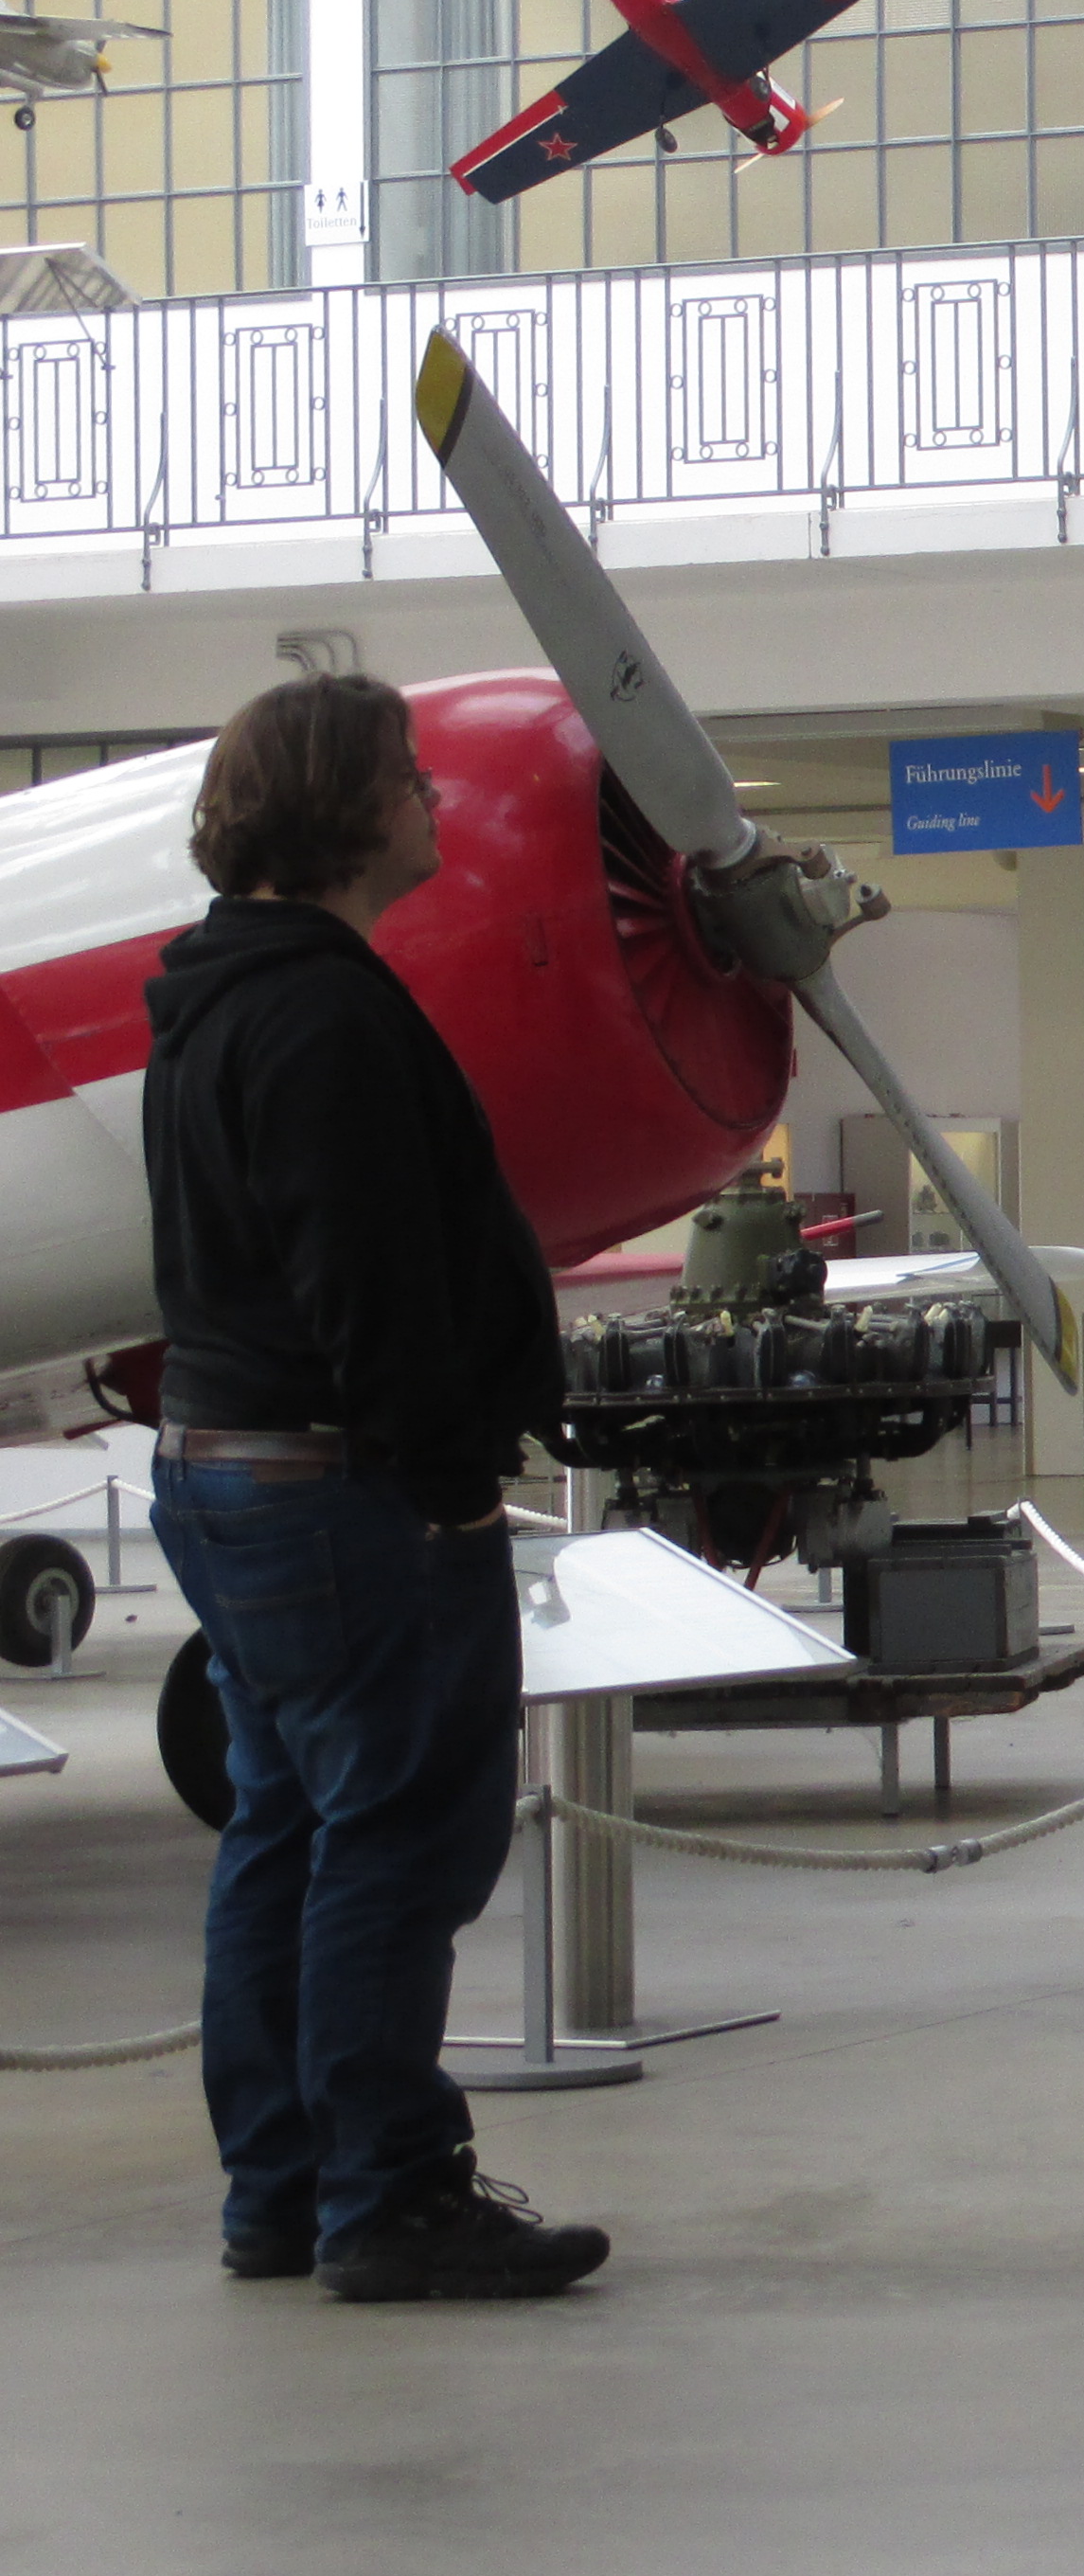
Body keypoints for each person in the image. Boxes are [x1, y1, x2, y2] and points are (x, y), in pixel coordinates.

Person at [141, 672, 608, 2301]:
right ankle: (391, 2193)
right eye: (409, 778)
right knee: (400, 1837)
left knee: (287, 1824)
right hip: (341, 1489)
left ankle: (282, 2187)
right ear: (344, 810)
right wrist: (450, 1484)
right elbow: (370, 1283)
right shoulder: (324, 1015)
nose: (433, 799)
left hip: (229, 1471)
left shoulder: (216, 998)